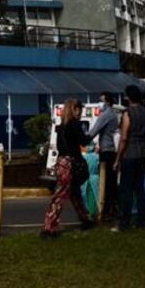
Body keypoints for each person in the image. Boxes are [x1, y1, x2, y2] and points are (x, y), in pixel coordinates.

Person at [41, 98, 95, 238]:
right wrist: (93, 133)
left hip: (61, 162)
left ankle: (85, 218)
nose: (80, 113)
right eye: (79, 110)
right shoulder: (75, 125)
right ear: (75, 109)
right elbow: (84, 141)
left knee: (74, 193)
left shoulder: (62, 126)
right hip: (71, 163)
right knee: (60, 196)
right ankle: (49, 227)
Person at [114, 84, 145, 231]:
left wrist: (117, 159)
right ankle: (141, 221)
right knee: (139, 189)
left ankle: (125, 223)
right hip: (143, 152)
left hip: (130, 153)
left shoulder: (127, 113)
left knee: (127, 190)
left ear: (128, 96)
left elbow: (123, 138)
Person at [87, 92, 120, 221]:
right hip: (111, 150)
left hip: (106, 151)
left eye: (101, 101)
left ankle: (105, 211)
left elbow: (94, 131)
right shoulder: (113, 114)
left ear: (107, 102)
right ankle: (112, 209)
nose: (100, 104)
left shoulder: (105, 115)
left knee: (105, 183)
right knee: (111, 182)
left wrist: (83, 139)